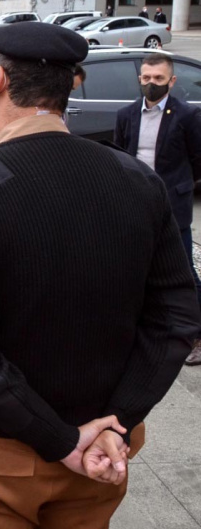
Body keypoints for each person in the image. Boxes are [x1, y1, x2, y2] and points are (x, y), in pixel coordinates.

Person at [0, 23, 200, 529]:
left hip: (4, 453)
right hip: (106, 444)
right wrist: (117, 422)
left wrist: (60, 441)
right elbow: (175, 317)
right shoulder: (136, 180)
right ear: (69, 88)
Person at [113, 53, 201, 365]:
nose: (152, 84)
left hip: (173, 205)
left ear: (171, 81)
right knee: (139, 266)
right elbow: (121, 156)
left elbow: (197, 158)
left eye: (159, 79)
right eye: (147, 78)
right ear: (140, 79)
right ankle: (147, 328)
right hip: (137, 202)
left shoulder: (187, 116)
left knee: (183, 271)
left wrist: (181, 187)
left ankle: (197, 335)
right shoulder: (126, 115)